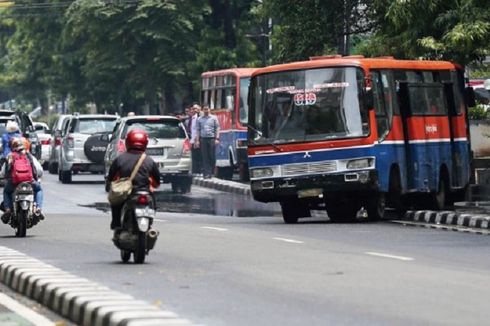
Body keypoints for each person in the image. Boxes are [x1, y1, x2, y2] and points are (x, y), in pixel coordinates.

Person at [106, 129, 161, 230]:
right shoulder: (149, 160)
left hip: (127, 194)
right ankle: (150, 221)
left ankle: (116, 224)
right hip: (145, 193)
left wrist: (110, 186)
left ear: (128, 142)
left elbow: (111, 178)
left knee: (115, 203)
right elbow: (157, 182)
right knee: (153, 201)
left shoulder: (120, 159)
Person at [1, 137, 44, 224]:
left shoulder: (10, 156)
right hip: (29, 181)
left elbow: (3, 172)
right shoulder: (29, 156)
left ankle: (8, 209)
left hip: (14, 183)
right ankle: (38, 208)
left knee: (6, 192)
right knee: (39, 190)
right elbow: (39, 170)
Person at [195, 105, 220, 179]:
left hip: (212, 139)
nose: (206, 111)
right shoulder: (199, 119)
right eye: (205, 109)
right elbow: (198, 130)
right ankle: (207, 173)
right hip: (203, 139)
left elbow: (217, 128)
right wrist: (197, 140)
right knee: (204, 156)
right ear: (202, 110)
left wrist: (217, 138)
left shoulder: (214, 118)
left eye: (207, 109)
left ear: (210, 110)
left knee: (212, 156)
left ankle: (212, 171)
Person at [188, 104, 202, 175]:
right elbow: (191, 130)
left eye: (196, 109)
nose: (194, 110)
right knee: (194, 156)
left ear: (199, 109)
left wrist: (197, 140)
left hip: (199, 140)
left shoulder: (200, 118)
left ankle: (199, 171)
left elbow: (198, 130)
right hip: (192, 139)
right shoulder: (191, 118)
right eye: (193, 109)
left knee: (199, 156)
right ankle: (195, 171)